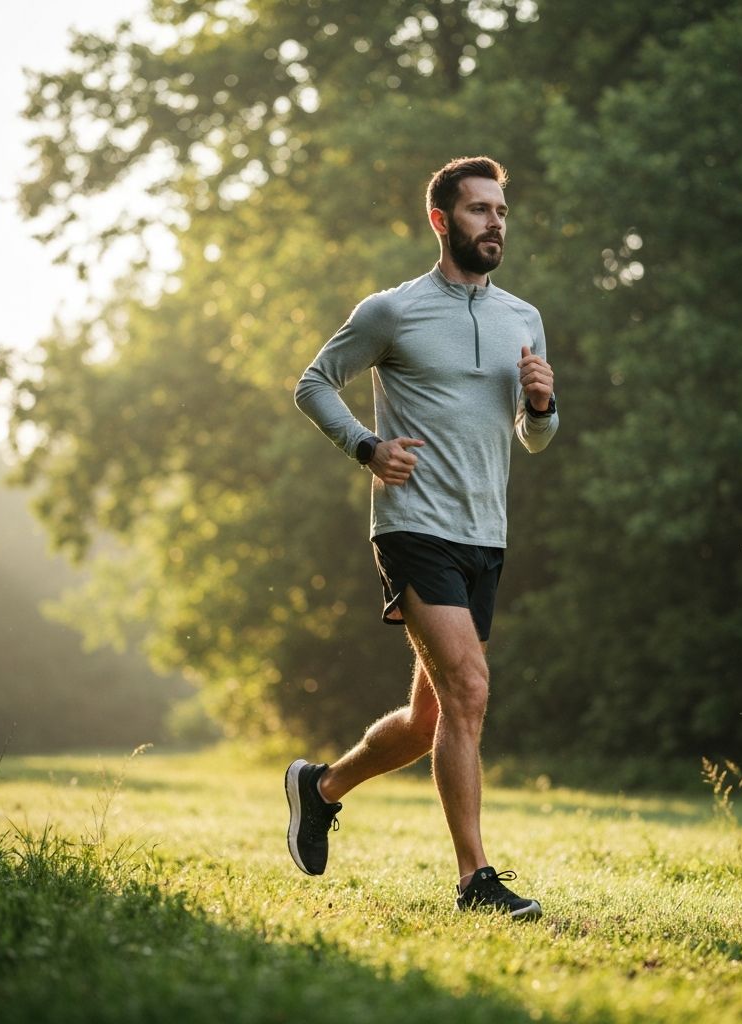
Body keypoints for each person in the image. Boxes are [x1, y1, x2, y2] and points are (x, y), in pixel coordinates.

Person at [289, 155, 558, 919]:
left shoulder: (522, 318)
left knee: (432, 717)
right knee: (470, 689)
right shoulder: (392, 311)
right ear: (442, 221)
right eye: (478, 210)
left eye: (501, 211)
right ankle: (476, 881)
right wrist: (368, 447)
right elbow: (313, 382)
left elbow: (534, 438)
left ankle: (321, 787)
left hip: (485, 534)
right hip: (413, 527)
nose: (494, 223)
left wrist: (540, 407)